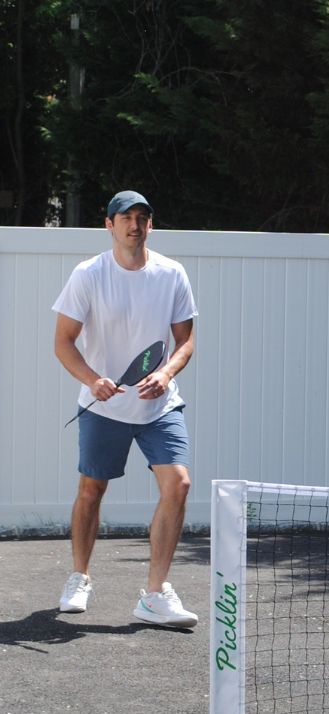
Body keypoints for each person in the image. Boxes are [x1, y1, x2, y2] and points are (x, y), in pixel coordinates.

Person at [53, 190, 199, 628]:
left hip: (160, 407)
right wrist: (92, 380)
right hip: (103, 407)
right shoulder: (88, 274)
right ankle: (79, 577)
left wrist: (167, 374)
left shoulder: (172, 273)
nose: (134, 224)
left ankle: (154, 596)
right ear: (109, 224)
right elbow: (63, 342)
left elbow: (186, 341)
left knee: (179, 485)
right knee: (91, 492)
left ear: (150, 225)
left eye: (142, 217)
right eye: (126, 217)